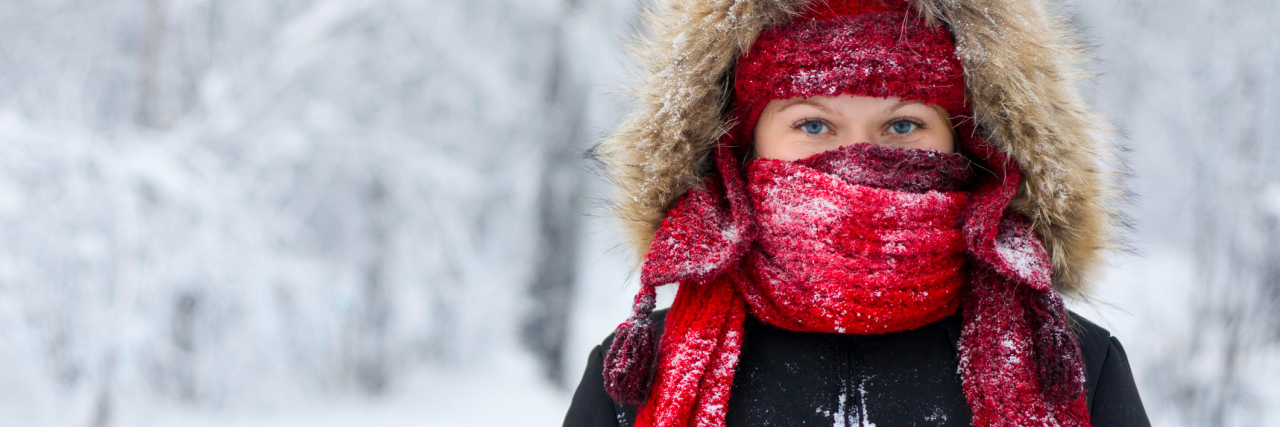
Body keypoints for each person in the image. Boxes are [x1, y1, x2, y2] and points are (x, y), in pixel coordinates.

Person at [565, 0, 1150, 425]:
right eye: (813, 124)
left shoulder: (1072, 366)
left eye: (903, 124)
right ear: (742, 151)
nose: (858, 156)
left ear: (966, 146)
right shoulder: (638, 376)